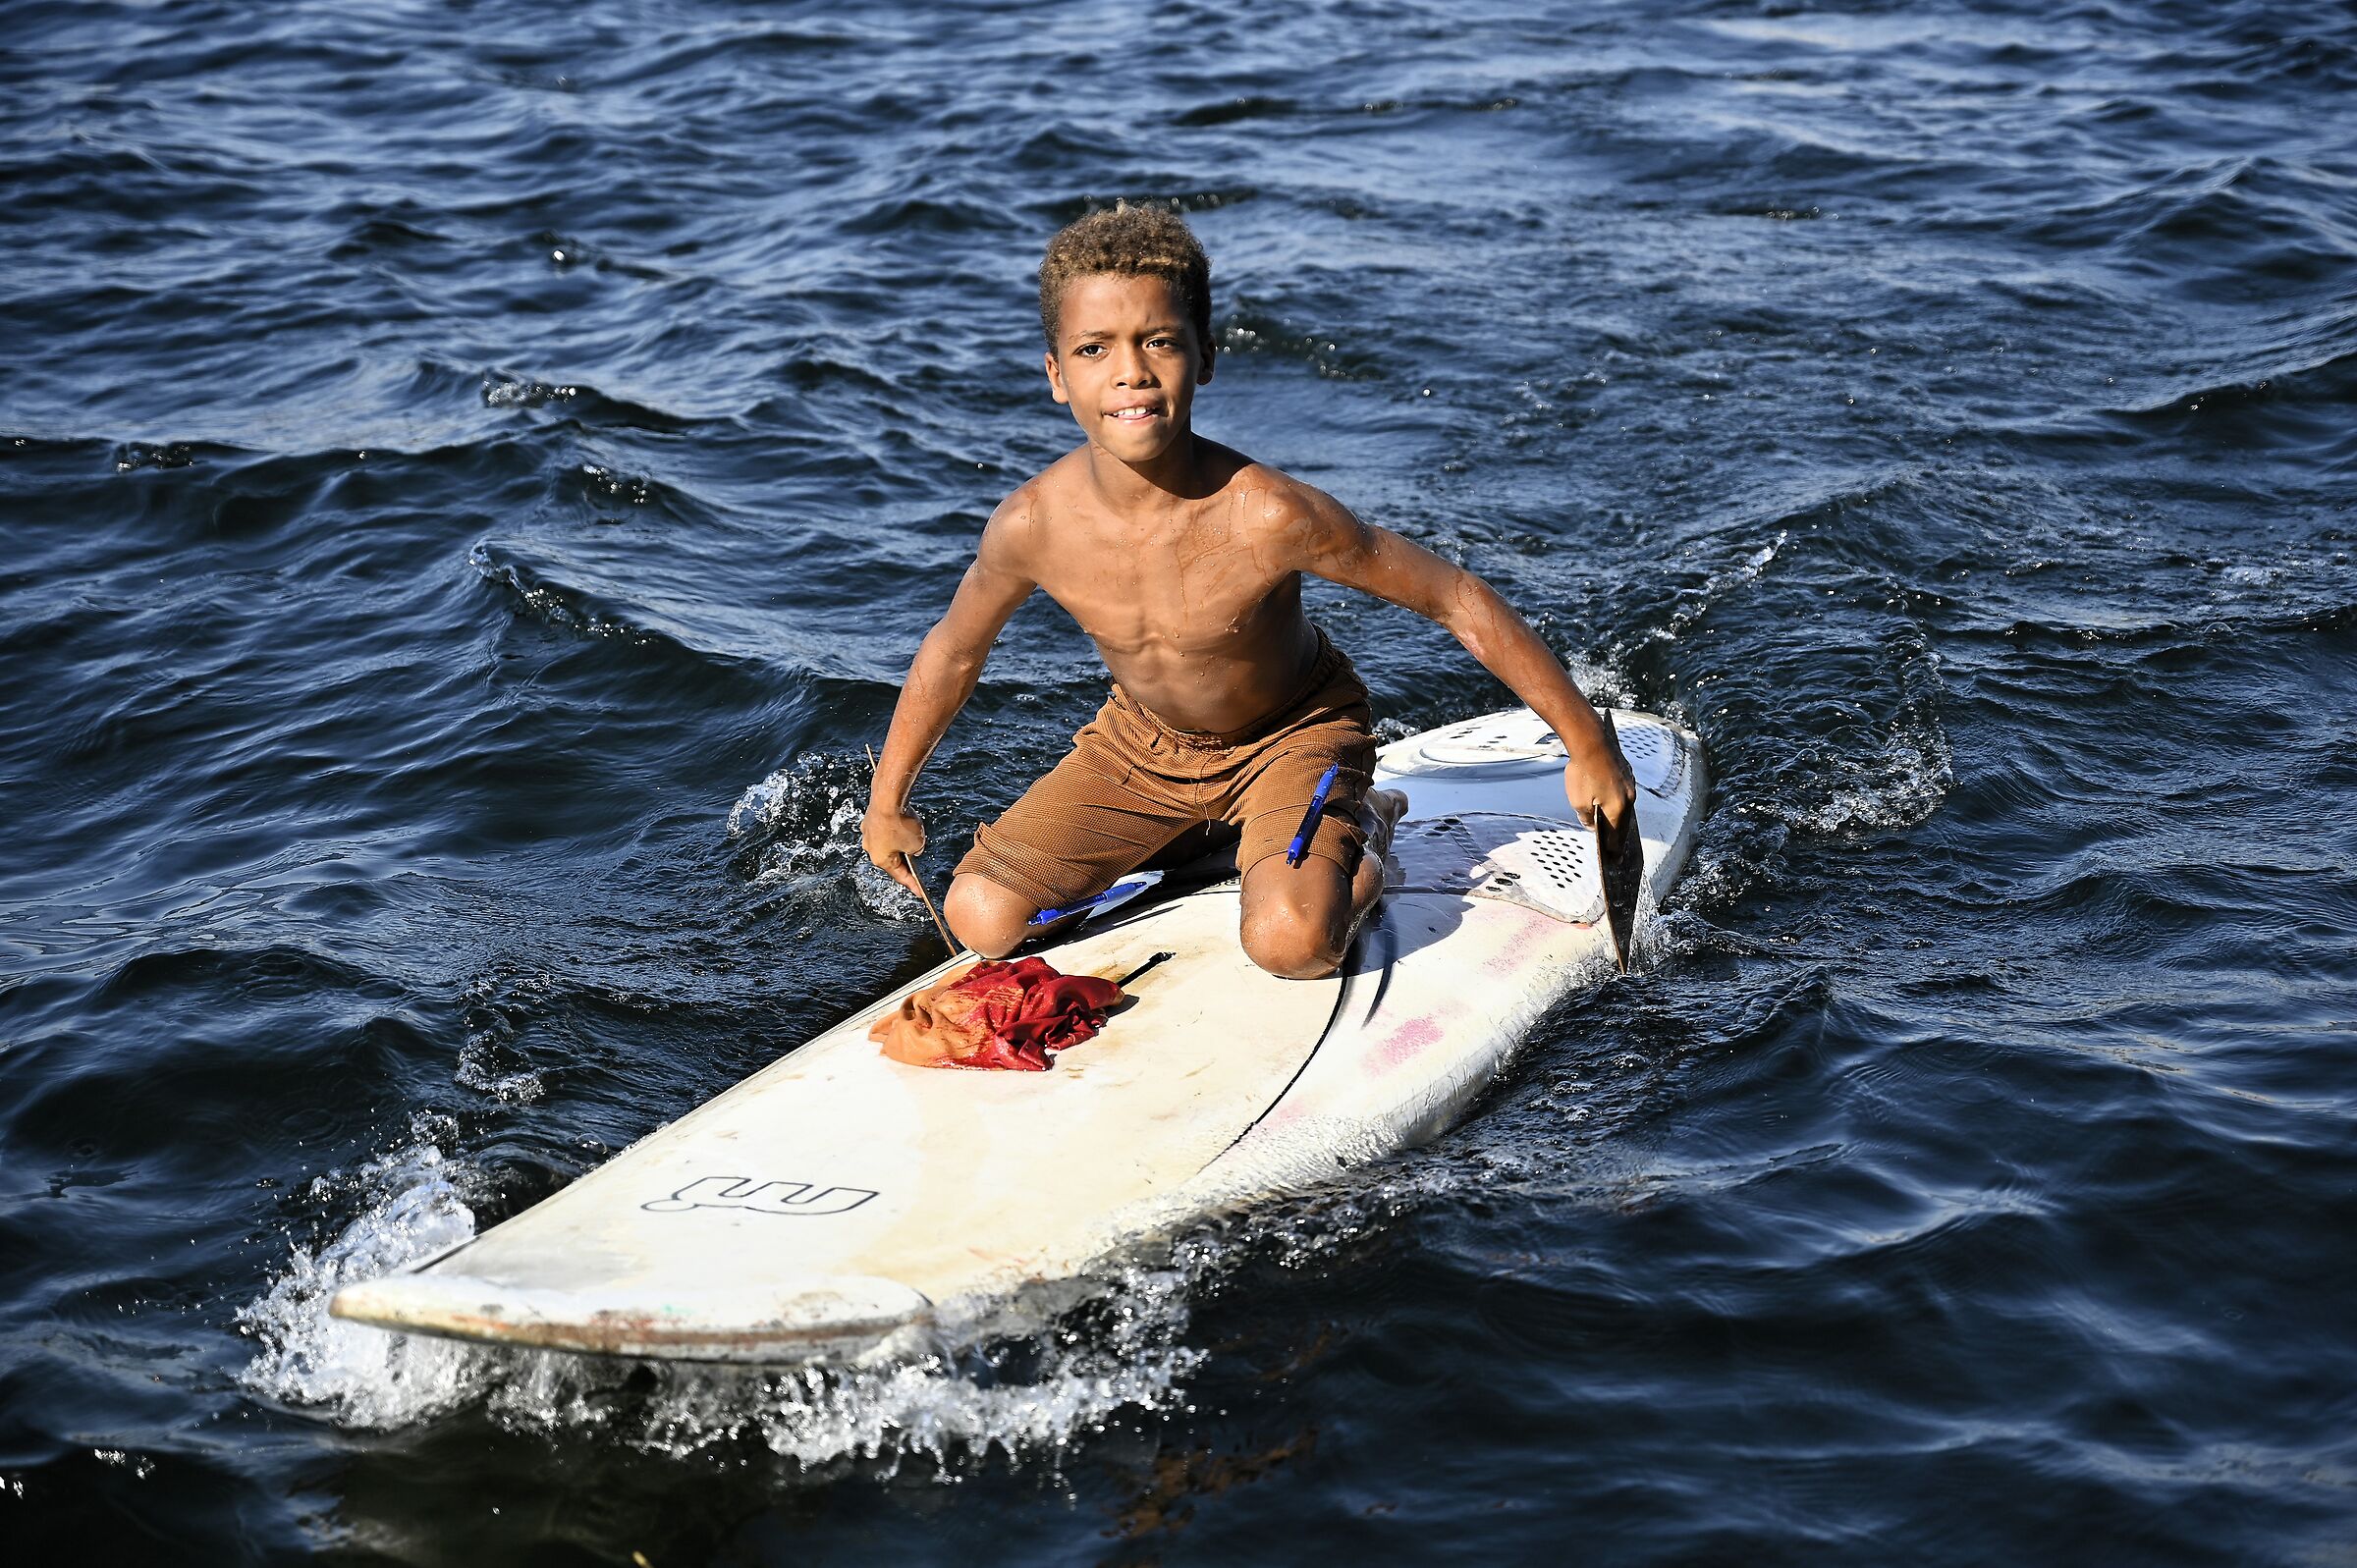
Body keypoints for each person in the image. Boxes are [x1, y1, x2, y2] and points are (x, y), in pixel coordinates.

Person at [861, 204, 1633, 980]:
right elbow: (955, 652)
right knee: (982, 915)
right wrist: (888, 801)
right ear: (1057, 375)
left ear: (1205, 358)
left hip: (1292, 735)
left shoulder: (1266, 513)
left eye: (1160, 341)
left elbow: (1452, 596)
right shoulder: (1031, 525)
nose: (1130, 371)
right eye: (1095, 348)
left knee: (1292, 942)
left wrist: (1586, 743)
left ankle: (1363, 826)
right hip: (1142, 749)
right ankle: (1200, 838)